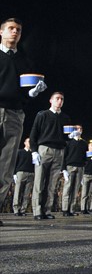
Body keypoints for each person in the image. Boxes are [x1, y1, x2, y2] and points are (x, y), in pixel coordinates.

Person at [0, 18, 47, 226]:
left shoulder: (24, 61)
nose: (14, 32)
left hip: (14, 114)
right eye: (10, 29)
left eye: (18, 30)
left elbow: (24, 93)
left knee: (6, 165)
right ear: (1, 32)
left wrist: (32, 93)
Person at [29, 91, 73, 220]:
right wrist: (34, 151)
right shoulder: (42, 115)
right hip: (45, 149)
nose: (60, 101)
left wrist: (70, 137)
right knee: (39, 181)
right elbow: (34, 134)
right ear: (51, 100)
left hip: (59, 151)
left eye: (62, 99)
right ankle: (37, 210)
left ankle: (46, 210)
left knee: (52, 183)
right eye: (57, 98)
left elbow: (65, 137)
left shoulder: (65, 118)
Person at [61, 125, 87, 216]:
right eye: (77, 129)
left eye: (80, 128)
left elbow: (85, 157)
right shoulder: (68, 142)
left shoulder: (84, 143)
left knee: (75, 189)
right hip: (70, 166)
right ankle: (65, 209)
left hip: (80, 167)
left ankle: (71, 209)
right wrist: (63, 169)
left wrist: (84, 169)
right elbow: (64, 156)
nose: (79, 130)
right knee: (68, 188)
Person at [12, 138, 34, 216]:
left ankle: (23, 209)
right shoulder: (20, 152)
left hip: (31, 173)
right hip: (21, 172)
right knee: (17, 191)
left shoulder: (33, 153)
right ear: (25, 143)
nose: (30, 143)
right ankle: (16, 209)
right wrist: (14, 173)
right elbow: (15, 163)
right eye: (28, 141)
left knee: (26, 193)